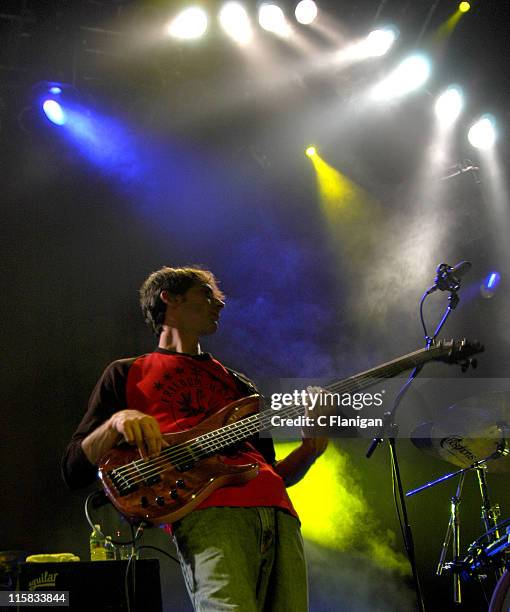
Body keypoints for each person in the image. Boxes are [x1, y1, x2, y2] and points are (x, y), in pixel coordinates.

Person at [62, 266, 328, 612]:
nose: (219, 304)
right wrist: (116, 422)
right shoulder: (127, 373)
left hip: (280, 515)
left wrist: (309, 449)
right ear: (169, 298)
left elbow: (273, 471)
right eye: (206, 293)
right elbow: (73, 468)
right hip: (210, 515)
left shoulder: (240, 385)